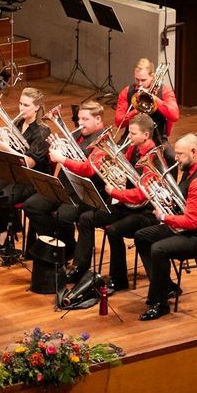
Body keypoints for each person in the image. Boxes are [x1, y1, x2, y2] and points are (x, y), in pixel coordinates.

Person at [133, 134, 197, 321]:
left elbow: (191, 222)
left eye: (180, 154)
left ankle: (160, 303)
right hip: (189, 230)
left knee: (159, 249)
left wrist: (164, 216)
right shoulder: (191, 170)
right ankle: (166, 286)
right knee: (142, 236)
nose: (175, 158)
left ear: (194, 152)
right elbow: (183, 203)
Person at [72, 114, 160, 291]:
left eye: (133, 134)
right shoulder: (133, 148)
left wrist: (115, 192)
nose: (129, 137)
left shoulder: (153, 158)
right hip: (126, 206)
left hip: (145, 212)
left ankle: (118, 279)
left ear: (146, 135)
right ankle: (79, 270)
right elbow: (123, 169)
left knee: (114, 230)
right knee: (86, 218)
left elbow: (142, 195)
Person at [25, 100, 107, 262]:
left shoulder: (103, 140)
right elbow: (56, 158)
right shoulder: (77, 134)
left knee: (63, 216)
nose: (80, 123)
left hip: (85, 193)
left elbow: (88, 169)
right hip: (64, 185)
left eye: (85, 119)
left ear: (98, 119)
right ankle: (60, 246)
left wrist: (62, 158)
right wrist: (54, 151)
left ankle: (62, 249)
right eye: (79, 118)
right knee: (32, 205)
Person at [0, 87, 51, 256]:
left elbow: (30, 162)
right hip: (13, 173)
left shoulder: (42, 131)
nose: (21, 108)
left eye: (26, 105)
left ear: (37, 107)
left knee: (3, 198)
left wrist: (6, 147)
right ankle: (2, 232)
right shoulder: (17, 124)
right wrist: (0, 139)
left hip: (31, 179)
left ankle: (8, 237)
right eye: (20, 104)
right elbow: (9, 153)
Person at [114, 58, 179, 141]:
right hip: (131, 137)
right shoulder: (127, 91)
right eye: (137, 79)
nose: (140, 84)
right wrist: (136, 111)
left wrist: (155, 99)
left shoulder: (165, 90)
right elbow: (118, 122)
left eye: (143, 80)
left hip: (156, 138)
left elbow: (175, 116)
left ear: (152, 76)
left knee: (172, 150)